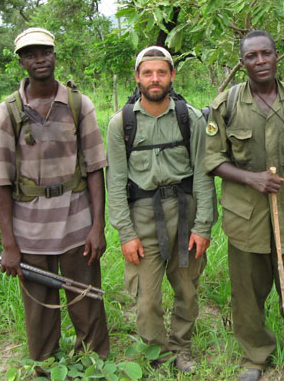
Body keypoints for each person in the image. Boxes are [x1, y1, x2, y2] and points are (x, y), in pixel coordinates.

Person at [203, 30, 284, 381]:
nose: (260, 61)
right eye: (252, 56)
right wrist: (251, 178)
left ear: (276, 56)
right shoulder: (225, 104)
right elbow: (213, 160)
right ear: (242, 63)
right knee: (247, 292)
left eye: (266, 54)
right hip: (246, 217)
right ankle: (255, 356)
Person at [0, 27, 109, 365]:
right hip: (30, 232)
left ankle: (96, 365)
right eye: (30, 54)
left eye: (44, 52)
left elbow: (96, 167)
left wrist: (97, 225)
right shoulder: (7, 113)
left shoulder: (78, 104)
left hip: (76, 224)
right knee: (39, 311)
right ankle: (46, 367)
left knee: (86, 302)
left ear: (55, 55)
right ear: (21, 62)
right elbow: (1, 181)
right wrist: (9, 244)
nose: (39, 59)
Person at [107, 46, 216, 373]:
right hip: (142, 221)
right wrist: (125, 233)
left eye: (162, 72)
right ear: (137, 77)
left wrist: (203, 226)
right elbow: (115, 181)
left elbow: (203, 174)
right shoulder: (121, 123)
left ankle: (181, 347)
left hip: (185, 215)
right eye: (148, 73)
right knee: (147, 299)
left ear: (172, 76)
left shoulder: (190, 118)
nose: (155, 79)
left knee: (187, 290)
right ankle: (159, 354)